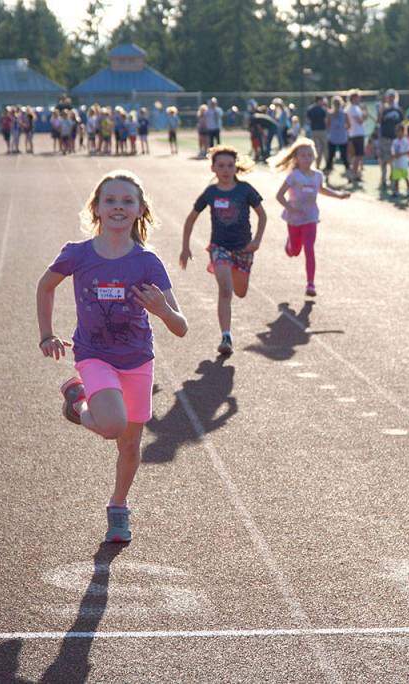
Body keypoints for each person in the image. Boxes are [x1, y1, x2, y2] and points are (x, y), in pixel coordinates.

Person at [36, 170, 187, 544]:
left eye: (127, 201)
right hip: (94, 355)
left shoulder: (147, 262)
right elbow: (45, 286)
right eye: (111, 200)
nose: (118, 207)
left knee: (130, 445)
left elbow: (181, 326)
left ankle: (118, 506)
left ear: (140, 209)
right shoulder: (78, 254)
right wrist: (47, 334)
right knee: (113, 425)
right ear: (97, 208)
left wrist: (162, 310)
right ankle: (80, 402)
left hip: (137, 359)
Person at [180, 146, 266, 355]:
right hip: (219, 247)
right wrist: (185, 246)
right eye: (221, 166)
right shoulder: (211, 193)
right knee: (225, 290)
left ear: (236, 167)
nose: (226, 170)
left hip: (243, 248)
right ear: (213, 168)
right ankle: (226, 336)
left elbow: (262, 215)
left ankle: (236, 273)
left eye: (230, 165)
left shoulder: (245, 190)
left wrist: (257, 241)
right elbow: (191, 218)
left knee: (240, 292)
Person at [273, 137, 350, 297]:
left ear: (314, 156)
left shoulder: (317, 175)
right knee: (295, 251)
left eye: (309, 155)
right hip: (294, 219)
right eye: (303, 155)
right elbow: (279, 195)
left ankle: (310, 284)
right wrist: (290, 208)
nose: (306, 158)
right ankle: (290, 245)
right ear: (296, 158)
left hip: (311, 217)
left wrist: (339, 195)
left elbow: (322, 189)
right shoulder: (294, 176)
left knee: (309, 248)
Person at [376, 89, 404, 189]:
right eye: (389, 97)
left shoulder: (399, 110)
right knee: (383, 159)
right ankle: (383, 180)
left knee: (396, 160)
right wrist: (381, 111)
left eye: (393, 97)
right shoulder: (383, 109)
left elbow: (402, 124)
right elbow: (378, 122)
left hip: (396, 139)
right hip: (385, 137)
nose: (391, 99)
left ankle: (395, 181)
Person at [345, 90, 367, 181]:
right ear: (354, 98)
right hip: (356, 134)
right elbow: (360, 121)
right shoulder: (352, 108)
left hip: (357, 134)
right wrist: (365, 113)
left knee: (357, 156)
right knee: (357, 155)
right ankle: (354, 174)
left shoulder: (356, 108)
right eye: (358, 97)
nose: (359, 99)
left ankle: (355, 173)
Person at [325, 96, 348, 174]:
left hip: (336, 137)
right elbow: (348, 125)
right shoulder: (342, 113)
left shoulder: (342, 113)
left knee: (332, 157)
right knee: (342, 157)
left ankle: (327, 173)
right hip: (339, 138)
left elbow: (327, 125)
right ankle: (349, 173)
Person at [389, 123, 409, 199]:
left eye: (399, 131)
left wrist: (401, 154)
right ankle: (396, 192)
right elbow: (392, 151)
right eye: (396, 131)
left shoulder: (405, 141)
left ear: (403, 131)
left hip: (403, 162)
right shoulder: (395, 141)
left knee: (405, 177)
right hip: (396, 163)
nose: (397, 133)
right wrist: (394, 155)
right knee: (396, 178)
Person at [306, 96, 328, 167]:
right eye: (321, 101)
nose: (322, 102)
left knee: (318, 149)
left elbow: (308, 121)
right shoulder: (323, 109)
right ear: (318, 100)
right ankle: (326, 165)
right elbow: (326, 121)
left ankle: (318, 165)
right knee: (324, 149)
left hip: (314, 131)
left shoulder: (310, 109)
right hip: (322, 131)